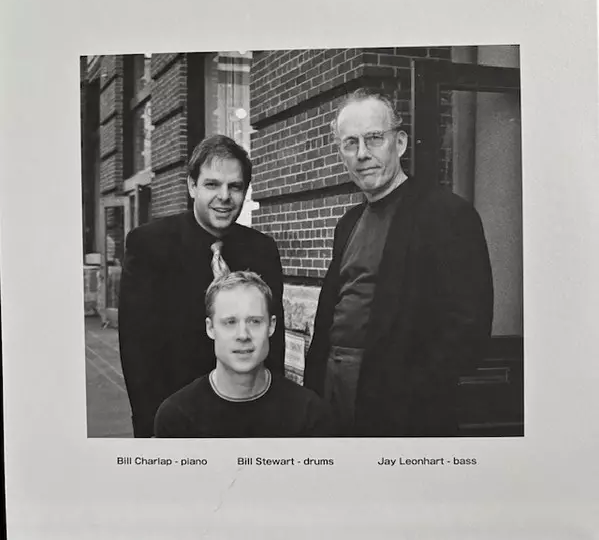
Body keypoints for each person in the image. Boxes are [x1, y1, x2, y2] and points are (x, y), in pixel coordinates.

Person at [304, 89, 494, 437]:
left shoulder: (447, 214)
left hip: (402, 407)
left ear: (400, 143)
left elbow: (469, 329)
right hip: (333, 392)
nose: (363, 154)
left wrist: (409, 391)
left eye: (374, 138)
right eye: (350, 143)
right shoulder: (347, 223)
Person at [118, 135, 285, 438]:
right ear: (192, 186)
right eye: (212, 184)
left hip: (250, 418)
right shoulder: (150, 245)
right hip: (178, 420)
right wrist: (151, 428)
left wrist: (275, 414)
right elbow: (136, 349)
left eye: (235, 187)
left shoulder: (262, 249)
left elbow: (274, 341)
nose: (224, 196)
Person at [154, 271, 334, 437]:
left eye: (254, 321)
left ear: (271, 326)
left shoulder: (308, 414)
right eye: (230, 322)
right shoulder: (177, 417)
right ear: (210, 328)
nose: (243, 335)